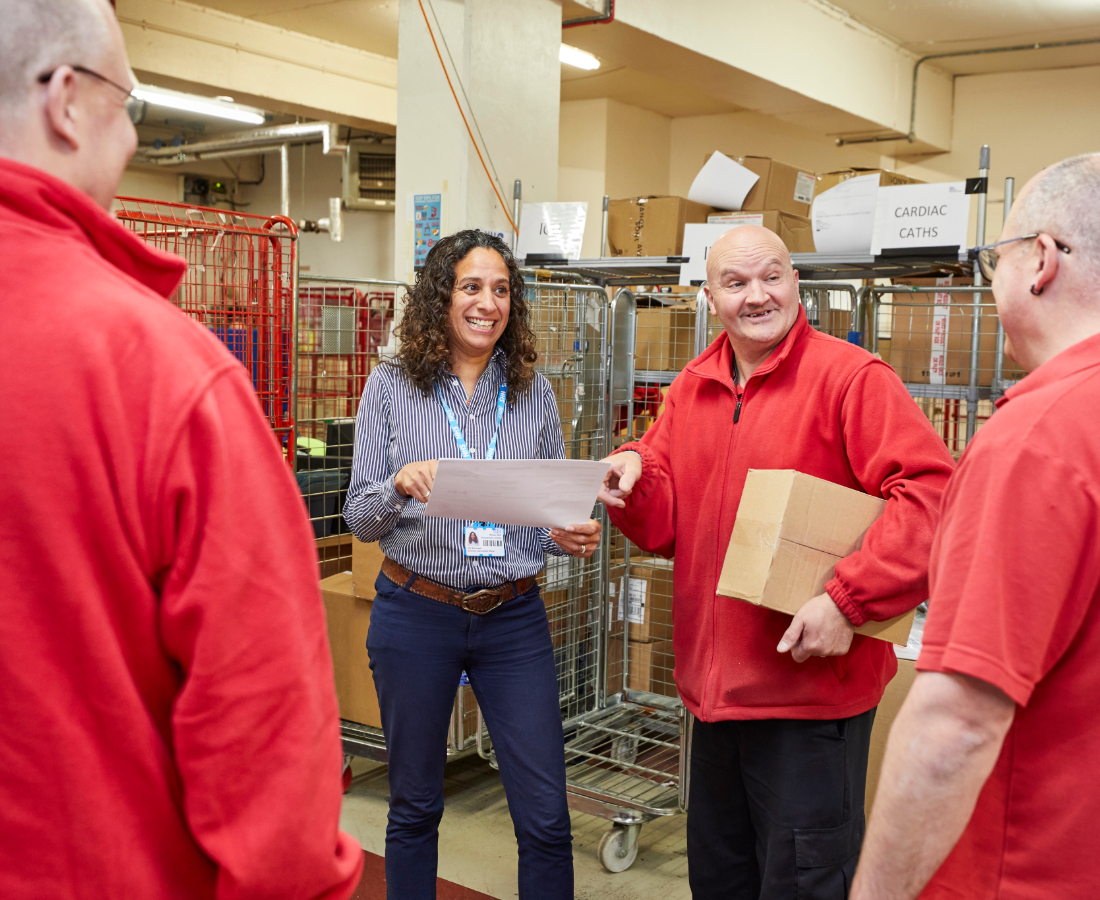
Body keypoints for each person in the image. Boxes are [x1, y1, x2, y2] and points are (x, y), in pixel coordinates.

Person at [0, 2, 363, 897]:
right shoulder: (160, 371)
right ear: (67, 101)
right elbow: (267, 740)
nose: (127, 137)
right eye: (127, 102)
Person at [598, 225, 956, 899]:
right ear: (709, 298)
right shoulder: (693, 387)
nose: (757, 296)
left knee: (802, 884)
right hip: (713, 704)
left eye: (772, 277)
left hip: (807, 703)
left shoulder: (851, 380)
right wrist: (633, 478)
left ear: (796, 283)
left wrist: (848, 600)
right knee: (722, 879)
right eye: (735, 284)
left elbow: (933, 497)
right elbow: (667, 524)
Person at [850, 155, 1100, 900]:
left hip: (1022, 866)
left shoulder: (1041, 435)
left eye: (996, 258)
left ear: (1042, 262)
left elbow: (957, 723)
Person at [343, 229, 598, 900]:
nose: (488, 303)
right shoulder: (391, 387)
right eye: (471, 287)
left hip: (512, 619)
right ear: (442, 298)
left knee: (545, 817)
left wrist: (561, 538)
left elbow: (536, 519)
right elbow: (360, 517)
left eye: (501, 289)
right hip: (415, 613)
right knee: (416, 805)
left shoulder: (533, 393)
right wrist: (399, 484)